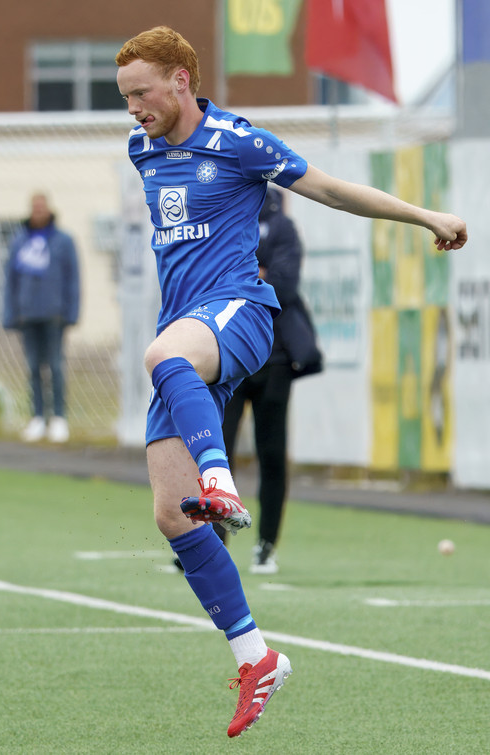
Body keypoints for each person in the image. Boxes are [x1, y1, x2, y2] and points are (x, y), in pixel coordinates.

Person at [115, 26, 466, 738]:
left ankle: (221, 479)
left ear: (182, 79)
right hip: (187, 329)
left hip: (240, 312)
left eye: (142, 93)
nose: (133, 109)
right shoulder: (141, 149)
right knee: (171, 514)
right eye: (124, 97)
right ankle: (257, 657)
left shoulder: (237, 141)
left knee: (162, 358)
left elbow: (330, 188)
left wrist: (423, 215)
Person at [220, 186, 323, 575]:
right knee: (215, 453)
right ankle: (212, 544)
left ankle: (266, 545)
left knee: (272, 454)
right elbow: (216, 280)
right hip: (229, 356)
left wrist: (247, 275)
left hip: (275, 360)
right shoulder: (224, 220)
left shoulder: (282, 227)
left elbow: (284, 284)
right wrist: (258, 273)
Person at [2, 192, 80, 443]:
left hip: (54, 314)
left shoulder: (63, 241)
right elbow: (11, 280)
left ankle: (58, 418)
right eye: (34, 207)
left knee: (55, 366)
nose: (38, 211)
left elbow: (73, 279)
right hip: (27, 314)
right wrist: (11, 313)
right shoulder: (19, 241)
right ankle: (37, 417)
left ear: (48, 209)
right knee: (33, 367)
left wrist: (71, 312)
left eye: (41, 206)